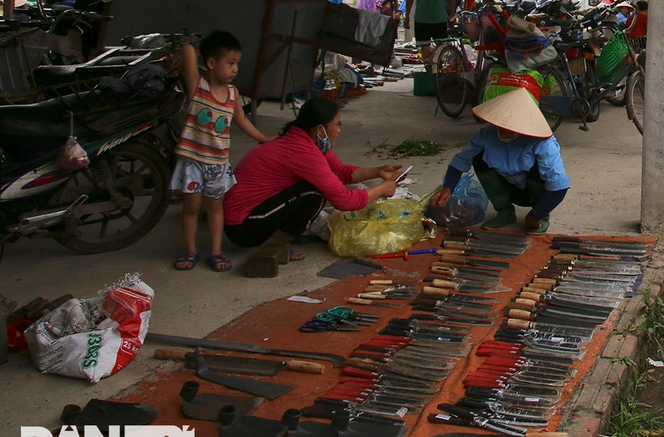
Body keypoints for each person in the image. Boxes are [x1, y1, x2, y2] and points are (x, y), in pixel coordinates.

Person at [223, 98, 402, 250]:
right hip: (243, 227)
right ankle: (277, 242)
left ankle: (282, 234)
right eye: (336, 124)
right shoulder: (301, 150)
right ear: (320, 130)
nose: (339, 130)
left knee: (319, 186)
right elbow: (345, 201)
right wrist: (382, 189)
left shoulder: (304, 140)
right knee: (313, 194)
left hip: (256, 212)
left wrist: (378, 171)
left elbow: (340, 172)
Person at [171, 31, 271, 271]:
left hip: (217, 163)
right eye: (230, 63)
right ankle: (190, 251)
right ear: (211, 64)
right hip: (192, 161)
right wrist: (189, 44)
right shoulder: (198, 86)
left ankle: (216, 252)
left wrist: (263, 138)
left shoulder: (233, 93)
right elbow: (188, 55)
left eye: (237, 63)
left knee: (215, 207)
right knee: (192, 207)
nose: (235, 69)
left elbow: (242, 121)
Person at [431, 89, 570, 234]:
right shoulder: (485, 135)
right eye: (502, 125)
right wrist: (448, 187)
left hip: (536, 193)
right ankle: (505, 211)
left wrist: (536, 215)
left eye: (512, 127)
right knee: (478, 158)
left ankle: (542, 216)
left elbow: (558, 186)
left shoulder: (543, 143)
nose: (505, 130)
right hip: (508, 188)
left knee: (540, 170)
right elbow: (460, 160)